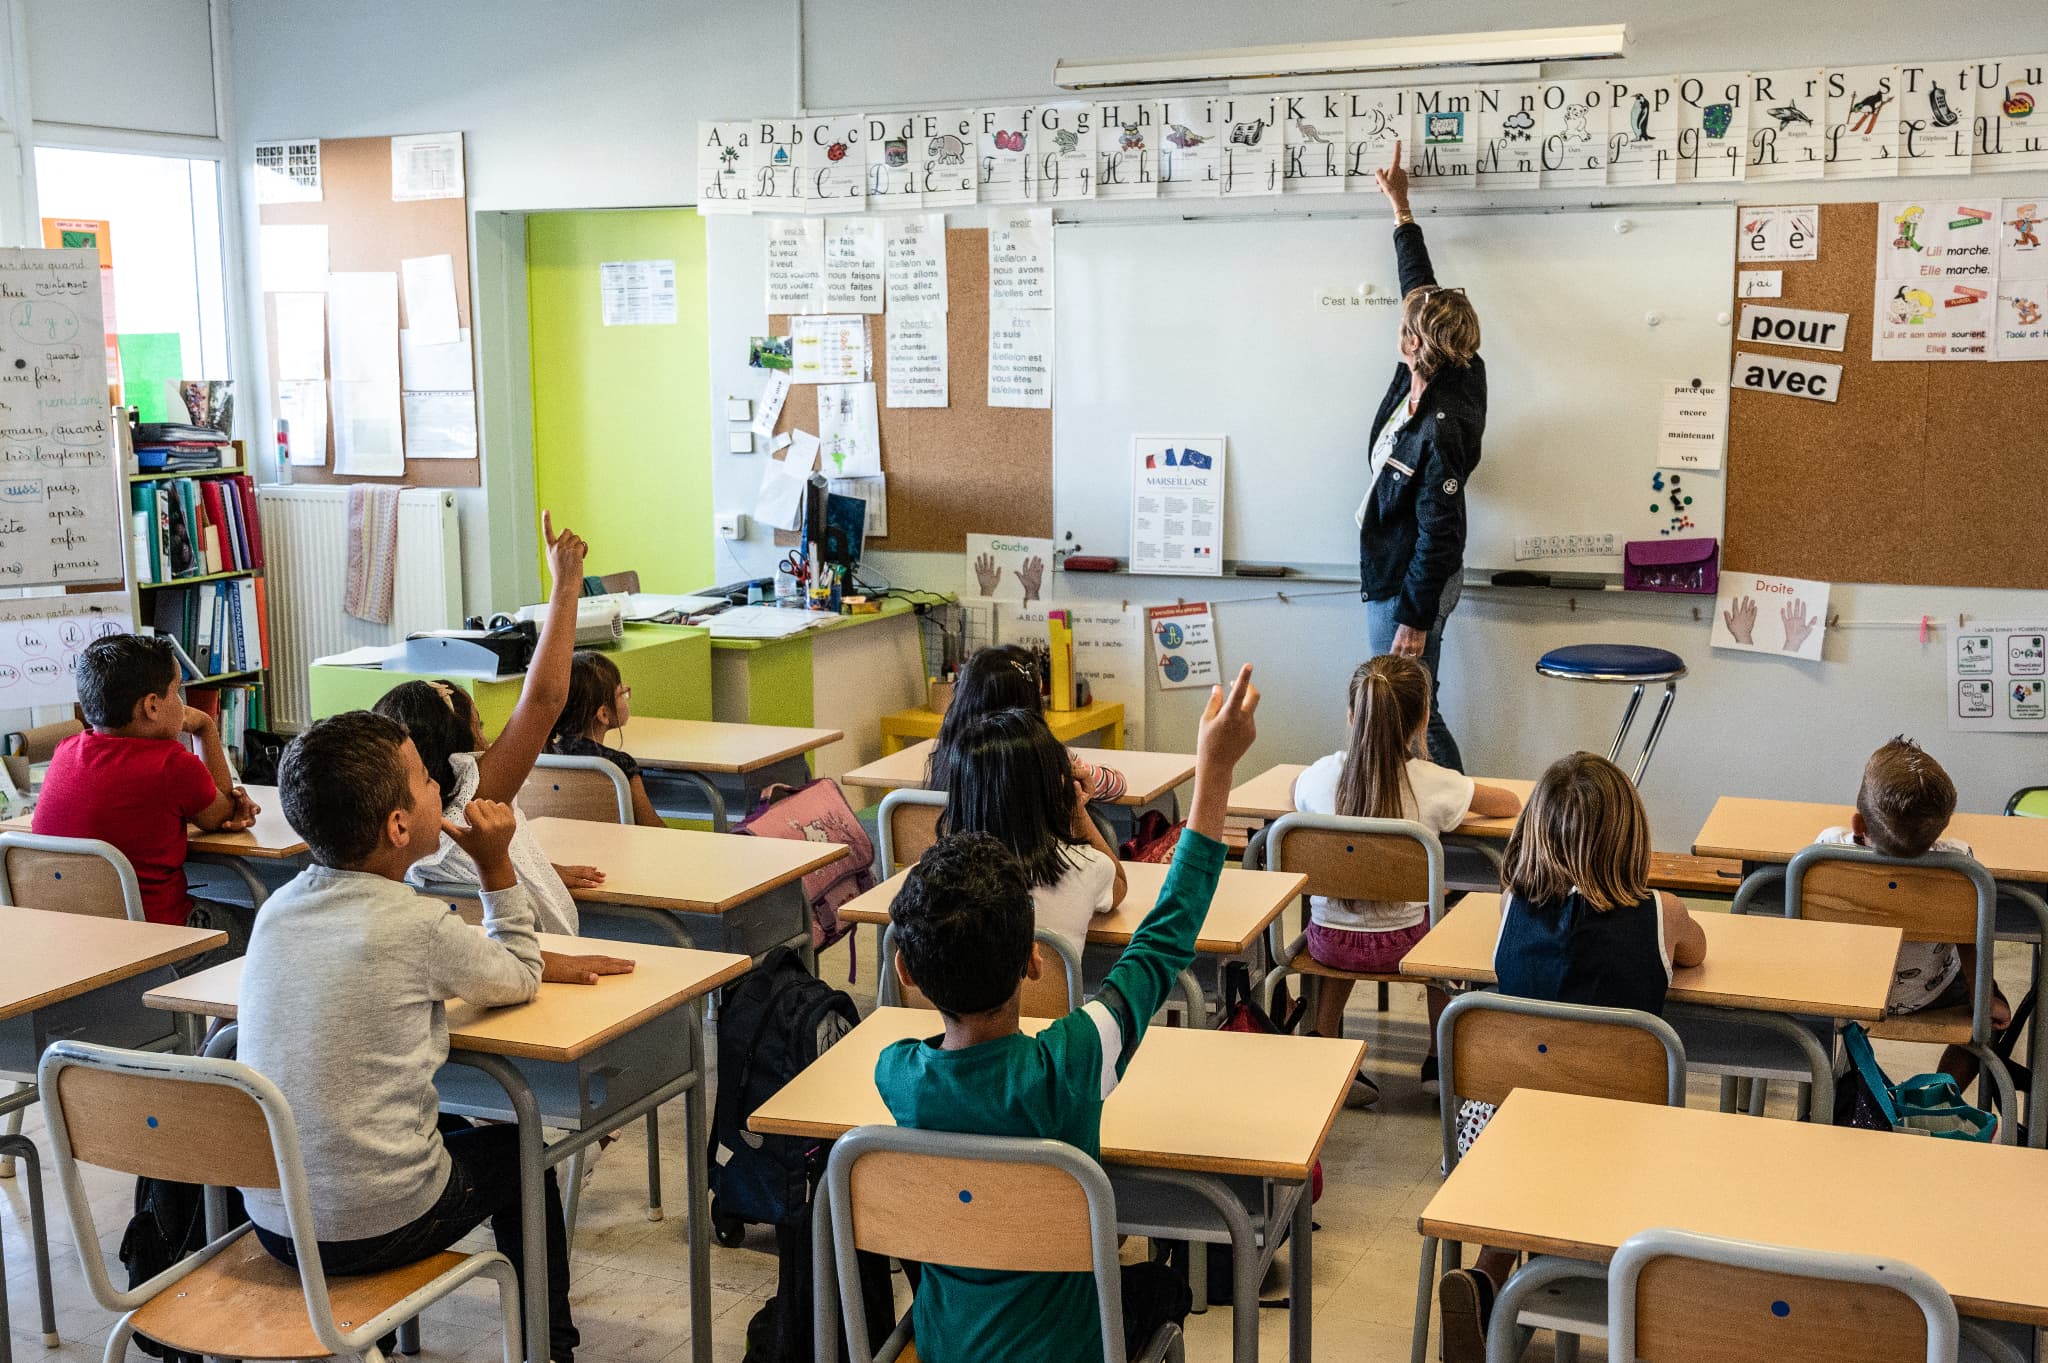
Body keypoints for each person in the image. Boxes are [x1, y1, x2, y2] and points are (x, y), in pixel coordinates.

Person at [877, 664, 1260, 1363]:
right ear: (1033, 959)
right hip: (1072, 1346)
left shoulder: (896, 1075)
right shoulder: (1075, 1058)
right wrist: (1214, 769)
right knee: (1162, 1289)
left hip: (943, 1346)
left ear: (904, 968)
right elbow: (1166, 934)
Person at [235, 711, 578, 1363]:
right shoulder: (419, 925)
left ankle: (379, 1337)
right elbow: (521, 974)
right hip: (375, 1228)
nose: (440, 784)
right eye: (425, 778)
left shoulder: (276, 912)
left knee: (420, 1121)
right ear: (398, 825)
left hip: (280, 1226)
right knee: (517, 1147)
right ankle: (550, 1347)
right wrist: (495, 866)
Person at [1436, 751, 1706, 1363]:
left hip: (1499, 1137)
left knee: (1526, 1129)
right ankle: (1630, 1290)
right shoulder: (1662, 912)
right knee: (1596, 1127)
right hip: (1621, 1142)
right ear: (1631, 835)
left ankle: (1484, 1278)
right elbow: (1694, 952)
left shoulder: (1510, 908)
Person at [1291, 655, 1520, 1105]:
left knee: (1345, 912)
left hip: (1328, 945)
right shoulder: (1436, 783)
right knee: (1446, 915)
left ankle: (1324, 1039)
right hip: (1407, 947)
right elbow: (1509, 802)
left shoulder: (1317, 776)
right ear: (1423, 718)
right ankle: (1438, 1058)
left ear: (1352, 715)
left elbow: (1294, 795)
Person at [376, 513, 605, 936]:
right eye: (479, 727)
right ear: (458, 755)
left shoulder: (396, 837)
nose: (488, 738)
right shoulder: (473, 805)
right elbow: (544, 699)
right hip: (538, 959)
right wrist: (566, 584)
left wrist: (540, 871)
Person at [1356, 143, 1486, 771]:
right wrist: (1400, 209)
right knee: (1402, 712)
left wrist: (1413, 617)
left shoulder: (1444, 424)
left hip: (1413, 580)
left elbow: (1441, 532)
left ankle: (1452, 836)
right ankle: (1425, 834)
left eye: (1406, 325)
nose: (1399, 325)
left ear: (1415, 345)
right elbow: (1421, 288)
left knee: (1404, 717)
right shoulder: (1447, 363)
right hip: (1395, 567)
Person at [33, 634, 258, 938]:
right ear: (152, 706)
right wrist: (205, 727)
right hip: (158, 940)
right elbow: (223, 816)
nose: (181, 703)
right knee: (268, 926)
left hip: (76, 940)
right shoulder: (173, 765)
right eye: (177, 692)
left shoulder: (65, 751)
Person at [1814, 736, 2009, 1084]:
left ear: (1858, 824)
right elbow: (1970, 941)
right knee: (1989, 1017)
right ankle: (1939, 1096)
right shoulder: (1960, 865)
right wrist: (1986, 997)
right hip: (1930, 994)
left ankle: (1846, 1091)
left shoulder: (1825, 851)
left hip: (1842, 995)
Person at [938, 707, 1128, 963]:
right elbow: (1119, 884)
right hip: (1054, 1004)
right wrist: (1076, 811)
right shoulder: (1083, 865)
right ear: (1053, 787)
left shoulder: (936, 878)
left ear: (961, 796)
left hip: (945, 1004)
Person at [927, 645, 1125, 803]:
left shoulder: (946, 756)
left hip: (966, 852)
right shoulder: (1046, 755)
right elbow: (1116, 784)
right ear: (1031, 701)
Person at [550, 650, 665, 827]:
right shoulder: (617, 767)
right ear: (603, 714)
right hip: (619, 852)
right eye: (622, 693)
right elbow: (653, 829)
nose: (626, 696)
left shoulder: (545, 758)